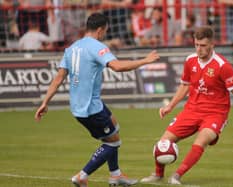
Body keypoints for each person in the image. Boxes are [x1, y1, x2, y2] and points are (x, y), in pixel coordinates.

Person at [34, 12, 159, 187]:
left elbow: (58, 77)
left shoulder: (72, 48)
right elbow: (117, 66)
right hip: (90, 108)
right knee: (114, 142)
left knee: (114, 125)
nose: (105, 34)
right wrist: (145, 61)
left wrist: (44, 102)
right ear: (100, 30)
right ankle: (82, 176)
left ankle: (116, 175)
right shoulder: (96, 46)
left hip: (81, 105)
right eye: (105, 31)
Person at [141, 26, 233, 185]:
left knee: (201, 140)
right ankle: (158, 175)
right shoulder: (190, 60)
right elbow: (184, 85)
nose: (199, 49)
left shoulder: (223, 66)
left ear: (212, 45)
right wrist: (170, 106)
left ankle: (176, 175)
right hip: (191, 109)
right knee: (164, 141)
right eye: (196, 44)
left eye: (203, 45)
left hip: (215, 113)